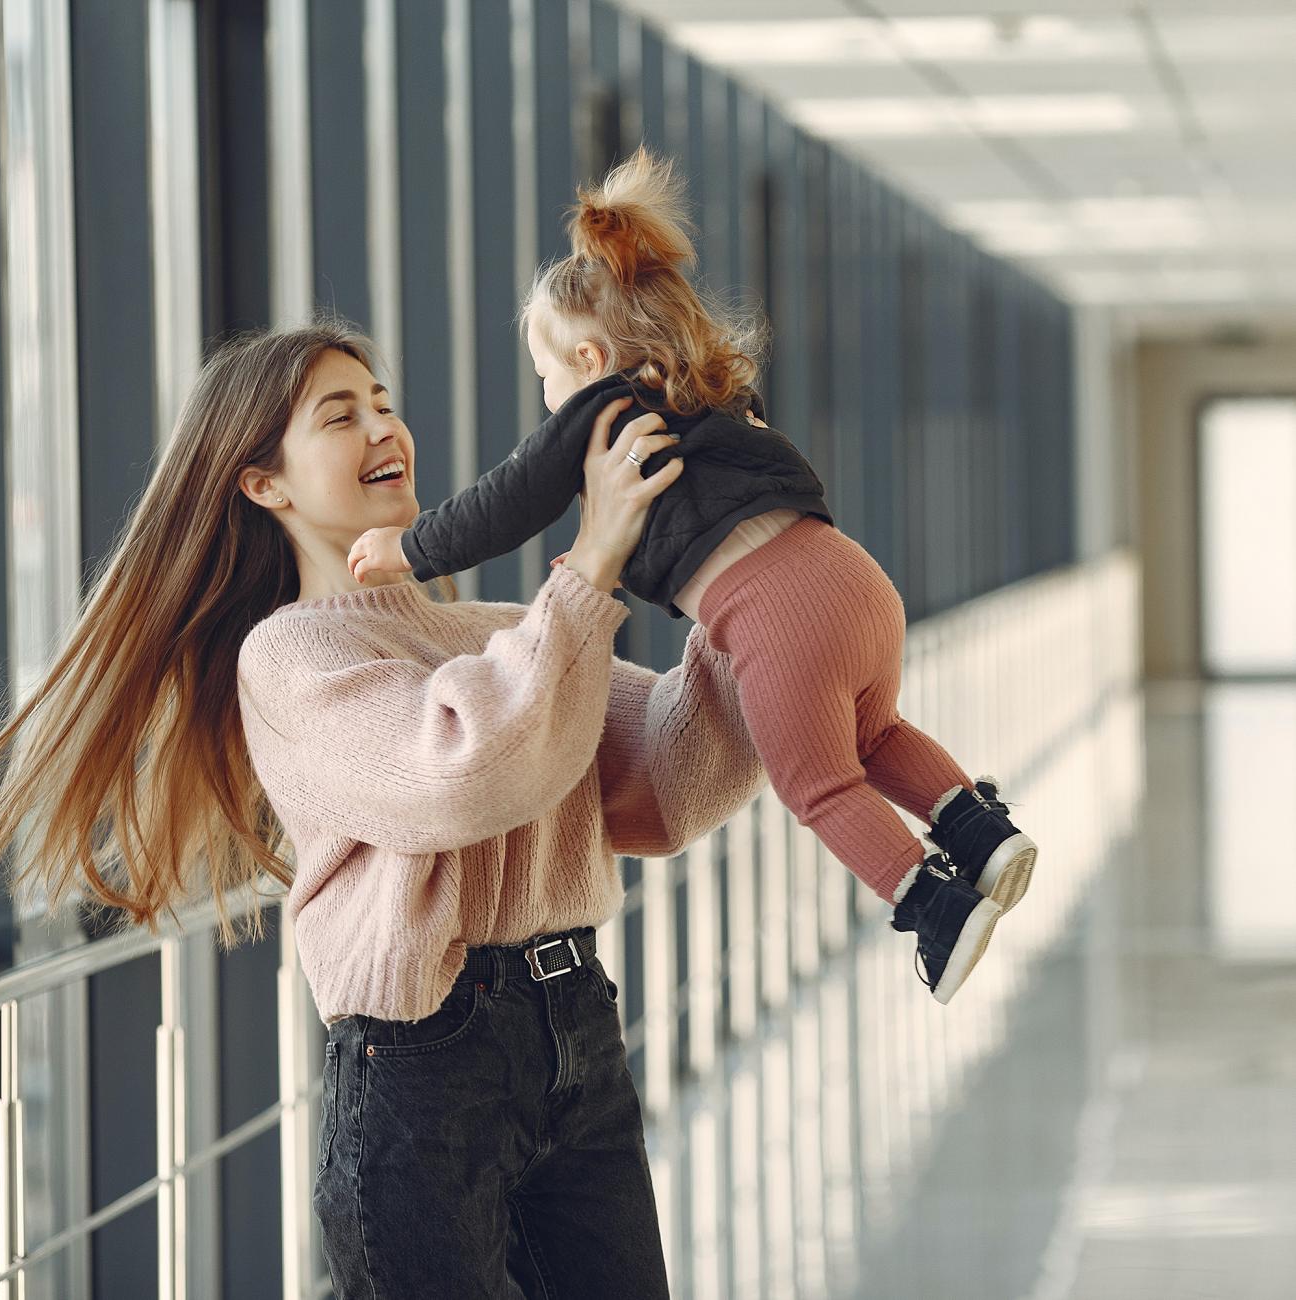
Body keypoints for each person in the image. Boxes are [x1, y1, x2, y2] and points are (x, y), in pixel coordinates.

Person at [0, 322, 767, 1297]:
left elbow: (672, 778)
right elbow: (460, 773)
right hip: (425, 1067)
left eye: (385, 404)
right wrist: (596, 553)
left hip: (577, 1026)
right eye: (341, 413)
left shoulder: (498, 635)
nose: (383, 427)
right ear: (263, 484)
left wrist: (747, 583)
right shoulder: (289, 657)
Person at [349, 147, 1039, 1005]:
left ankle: (935, 910)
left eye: (544, 376)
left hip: (774, 614)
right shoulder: (716, 396)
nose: (545, 398)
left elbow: (508, 499)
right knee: (876, 729)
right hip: (851, 578)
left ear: (591, 357)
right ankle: (979, 832)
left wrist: (408, 551)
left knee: (817, 782)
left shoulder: (602, 407)